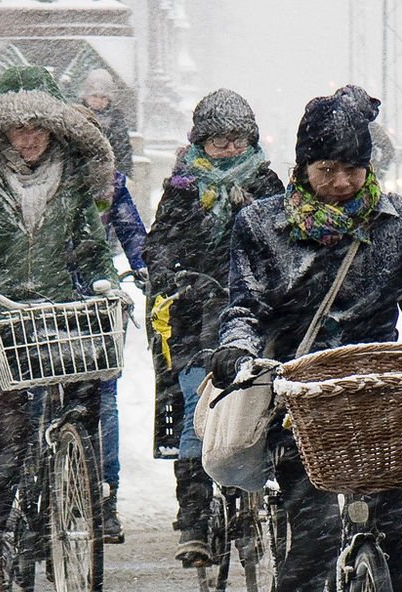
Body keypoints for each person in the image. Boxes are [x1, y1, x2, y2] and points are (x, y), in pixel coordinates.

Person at [210, 84, 402, 592]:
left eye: (353, 170)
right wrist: (236, 350)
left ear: (369, 168)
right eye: (326, 169)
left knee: (390, 538)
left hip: (379, 403)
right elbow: (244, 309)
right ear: (303, 167)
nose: (339, 183)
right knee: (310, 544)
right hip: (302, 402)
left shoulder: (399, 220)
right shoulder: (260, 225)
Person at [0, 65, 120, 592]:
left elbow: (90, 247)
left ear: (56, 128)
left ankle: (82, 490)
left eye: (39, 126)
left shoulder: (73, 180)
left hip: (58, 315)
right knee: (10, 425)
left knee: (87, 397)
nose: (29, 137)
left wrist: (106, 280)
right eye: (18, 128)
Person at [143, 88, 283, 566]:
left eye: (237, 140)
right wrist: (172, 273)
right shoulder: (182, 191)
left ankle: (264, 498)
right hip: (195, 319)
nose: (229, 148)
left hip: (258, 312)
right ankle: (195, 518)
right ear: (201, 143)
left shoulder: (267, 186)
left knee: (267, 406)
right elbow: (157, 244)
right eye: (219, 141)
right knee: (197, 416)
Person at [96, 167, 148, 544]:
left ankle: (105, 493)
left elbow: (130, 229)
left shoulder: (105, 180)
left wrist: (146, 265)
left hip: (94, 297)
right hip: (41, 298)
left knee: (103, 397)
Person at [81, 67, 133, 178]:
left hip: (110, 174)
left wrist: (121, 175)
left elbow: (123, 150)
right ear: (86, 96)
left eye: (103, 97)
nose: (98, 101)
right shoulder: (78, 115)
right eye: (94, 96)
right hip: (83, 173)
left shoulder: (116, 119)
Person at [368, 120, 396, 184]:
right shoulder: (370, 125)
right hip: (366, 175)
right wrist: (380, 169)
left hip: (366, 172)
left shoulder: (370, 126)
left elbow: (388, 149)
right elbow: (389, 150)